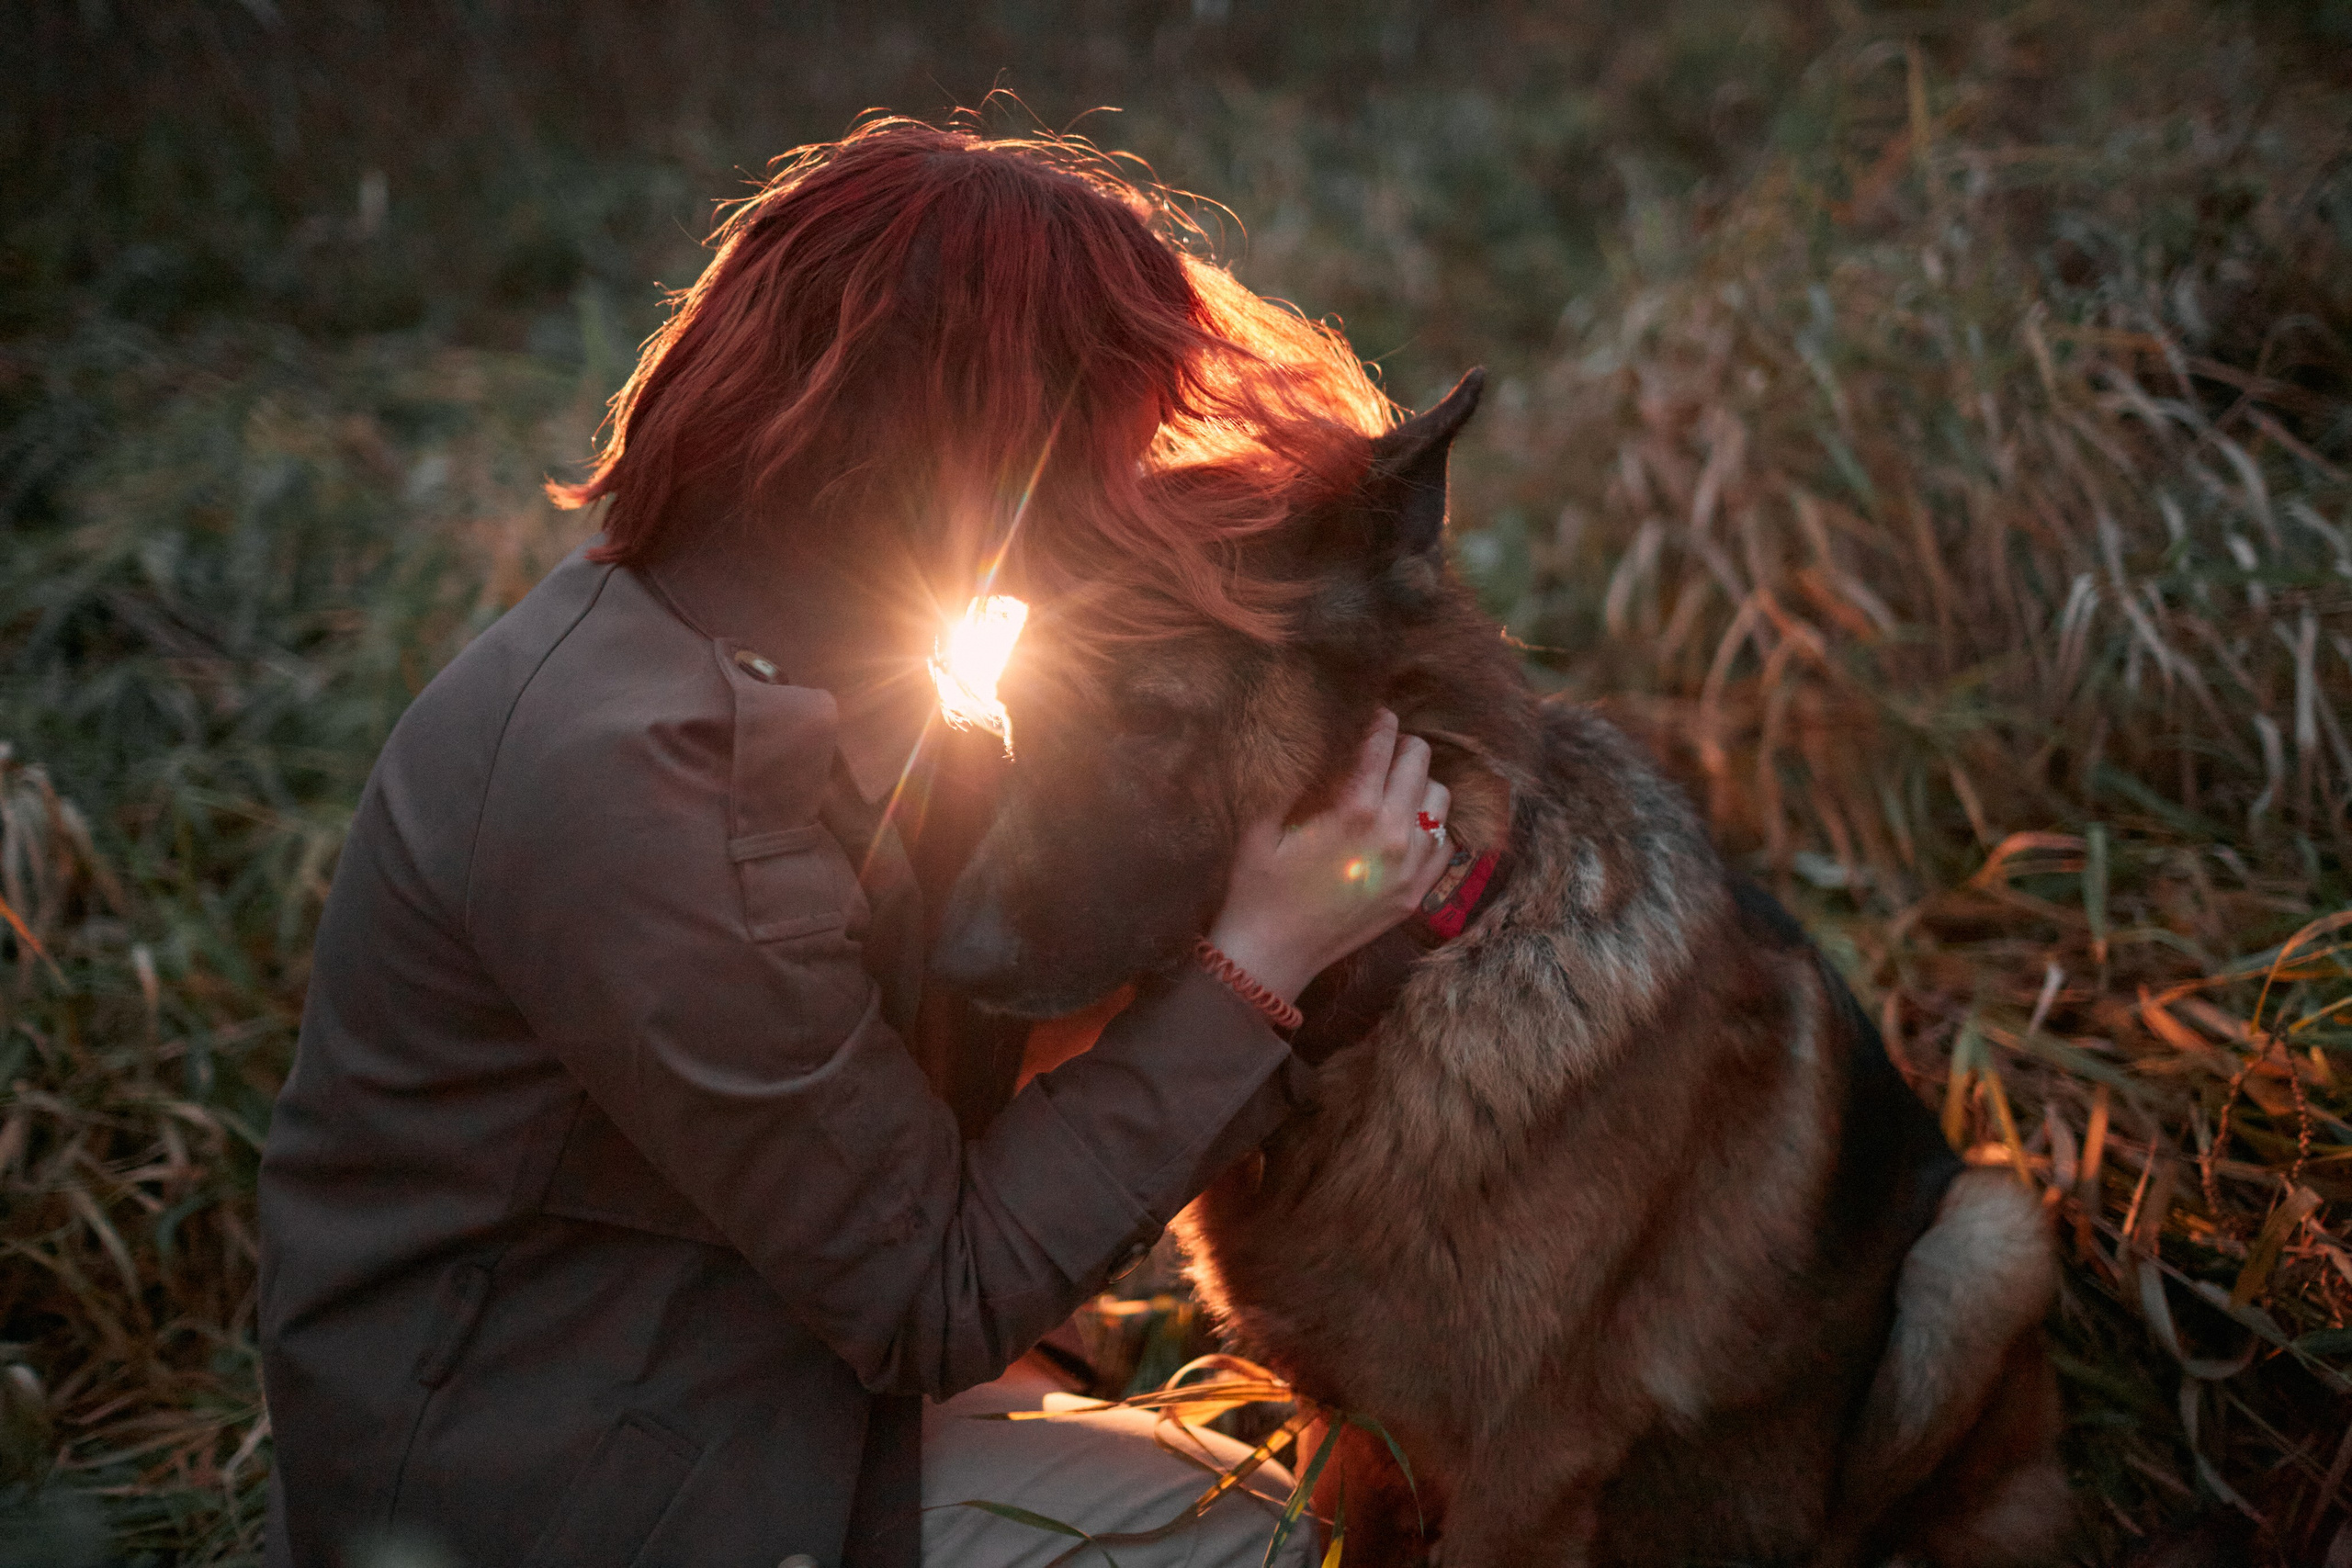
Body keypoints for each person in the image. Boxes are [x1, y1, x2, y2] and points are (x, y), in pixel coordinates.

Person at [256, 118, 1453, 1568]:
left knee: (1214, 1485)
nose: (1128, 485)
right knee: (1259, 1541)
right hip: (546, 1498)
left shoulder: (786, 657)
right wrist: (1261, 962)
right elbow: (927, 1298)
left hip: (706, 1375)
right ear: (955, 443)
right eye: (1105, 434)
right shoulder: (638, 786)